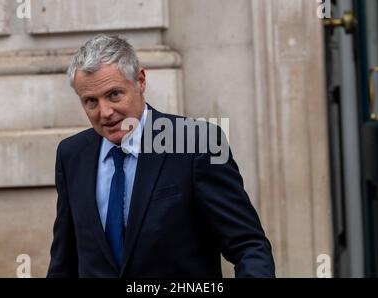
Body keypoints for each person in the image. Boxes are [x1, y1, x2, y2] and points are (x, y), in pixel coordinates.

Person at [47, 34, 275, 278]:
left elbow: (249, 247)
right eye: (91, 101)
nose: (105, 112)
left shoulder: (196, 143)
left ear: (141, 81)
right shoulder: (71, 155)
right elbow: (64, 262)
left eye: (114, 94)